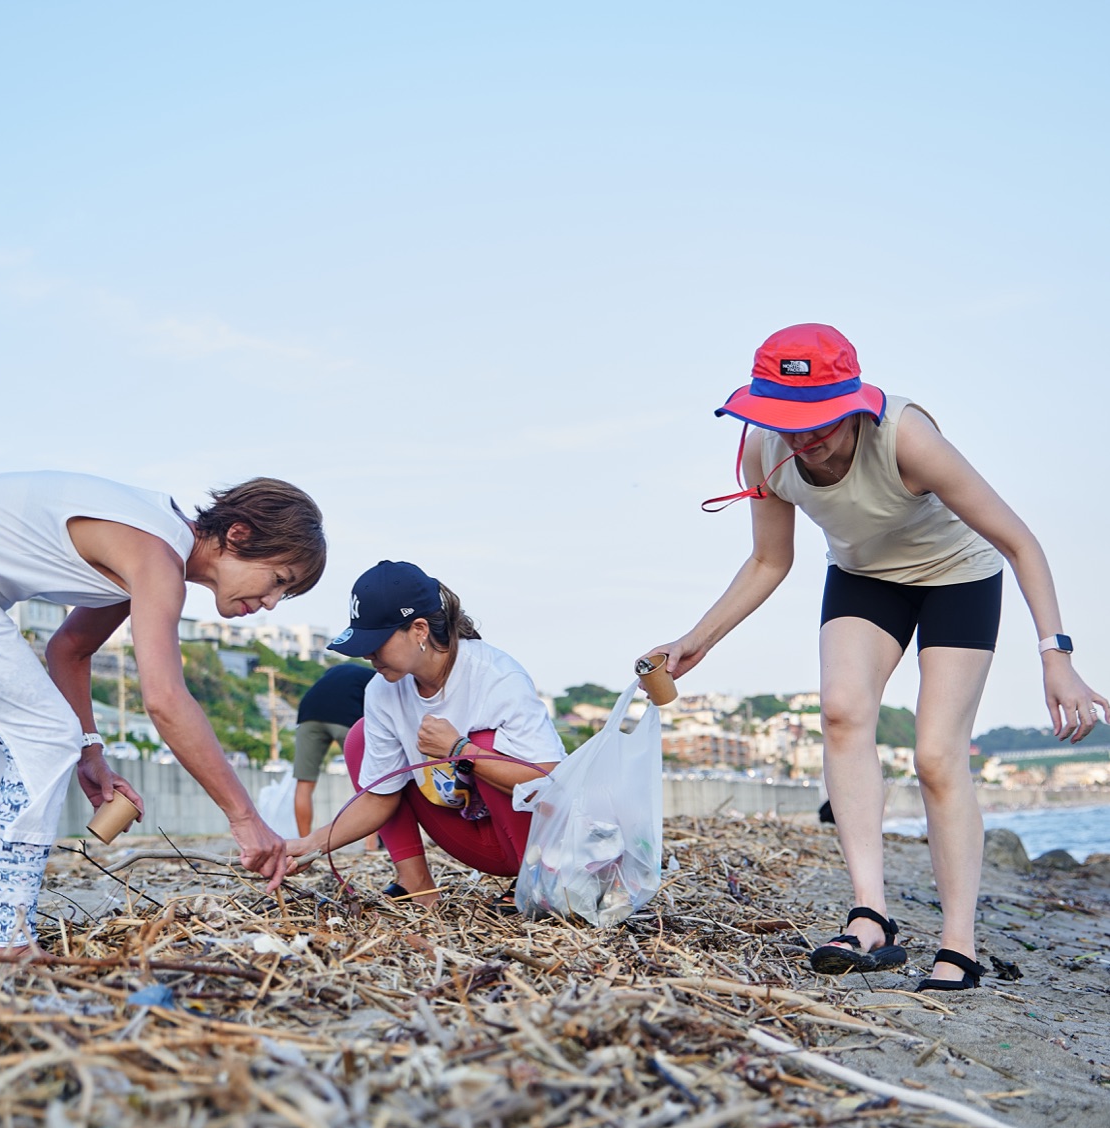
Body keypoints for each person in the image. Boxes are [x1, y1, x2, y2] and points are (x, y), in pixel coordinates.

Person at [643, 324, 1107, 991]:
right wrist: (697, 638)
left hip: (957, 577)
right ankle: (870, 916)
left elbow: (1019, 542)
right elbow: (769, 559)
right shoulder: (764, 452)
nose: (803, 438)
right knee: (840, 712)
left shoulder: (906, 438)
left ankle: (958, 945)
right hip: (864, 579)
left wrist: (1053, 654)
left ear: (851, 401)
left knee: (935, 755)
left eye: (818, 422)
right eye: (785, 419)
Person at [0, 472, 326, 960]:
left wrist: (91, 753)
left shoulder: (150, 548)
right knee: (47, 735)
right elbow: (164, 699)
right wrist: (245, 818)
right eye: (277, 580)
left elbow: (70, 650)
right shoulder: (158, 555)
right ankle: (9, 941)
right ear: (239, 534)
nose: (269, 603)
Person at [285, 560, 564, 908]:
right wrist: (310, 845)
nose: (369, 655)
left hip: (532, 838)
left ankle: (536, 880)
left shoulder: (495, 675)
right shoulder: (381, 692)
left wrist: (460, 750)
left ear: (419, 630)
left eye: (377, 642)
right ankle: (416, 883)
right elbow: (378, 797)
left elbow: (550, 780)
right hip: (471, 837)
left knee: (484, 742)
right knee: (360, 738)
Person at [292, 661, 373, 837]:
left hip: (308, 714)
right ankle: (371, 844)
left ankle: (304, 843)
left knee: (304, 783)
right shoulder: (378, 677)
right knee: (369, 781)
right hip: (346, 714)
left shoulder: (331, 674)